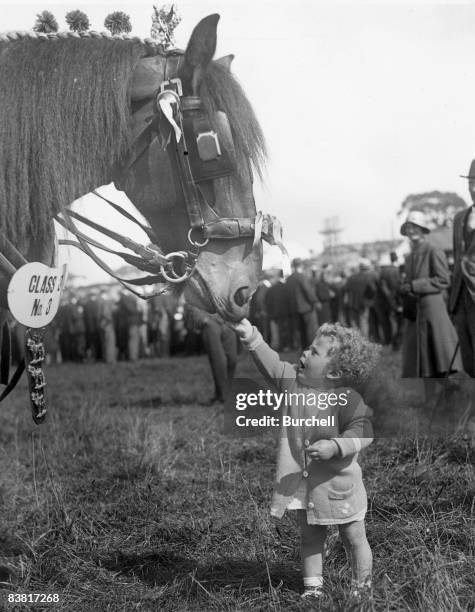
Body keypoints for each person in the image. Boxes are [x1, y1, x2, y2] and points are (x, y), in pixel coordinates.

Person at [232, 318, 379, 600]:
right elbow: (271, 363)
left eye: (314, 352)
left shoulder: (346, 398)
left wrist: (335, 447)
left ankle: (362, 588)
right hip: (307, 484)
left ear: (335, 371)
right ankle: (313, 588)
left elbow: (364, 432)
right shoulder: (292, 384)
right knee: (310, 537)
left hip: (340, 487)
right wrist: (251, 336)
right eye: (308, 348)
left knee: (353, 537)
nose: (304, 354)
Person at [399, 211, 461, 382]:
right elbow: (411, 281)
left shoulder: (433, 250)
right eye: (408, 227)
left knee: (439, 356)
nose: (411, 231)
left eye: (415, 227)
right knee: (424, 358)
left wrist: (414, 285)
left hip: (432, 308)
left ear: (422, 229)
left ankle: (451, 393)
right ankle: (432, 399)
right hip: (416, 310)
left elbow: (443, 280)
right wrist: (405, 288)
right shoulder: (410, 256)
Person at [450, 159, 475, 376]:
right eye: (470, 183)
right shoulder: (459, 219)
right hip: (461, 298)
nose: (473, 189)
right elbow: (458, 257)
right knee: (469, 361)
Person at [185, 305, 238, 403]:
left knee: (232, 359)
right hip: (210, 322)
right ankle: (224, 395)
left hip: (227, 321)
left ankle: (221, 394)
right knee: (219, 359)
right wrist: (203, 319)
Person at [286, 258, 317, 349]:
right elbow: (308, 291)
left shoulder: (289, 279)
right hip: (306, 307)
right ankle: (311, 347)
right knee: (310, 329)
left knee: (300, 329)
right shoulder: (302, 277)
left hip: (294, 308)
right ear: (301, 265)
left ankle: (302, 347)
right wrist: (315, 301)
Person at [343, 259, 378, 337]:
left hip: (351, 304)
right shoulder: (368, 277)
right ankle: (364, 343)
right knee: (364, 323)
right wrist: (369, 299)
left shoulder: (351, 277)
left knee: (354, 324)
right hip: (363, 304)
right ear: (367, 268)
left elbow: (345, 290)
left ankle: (356, 343)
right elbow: (373, 290)